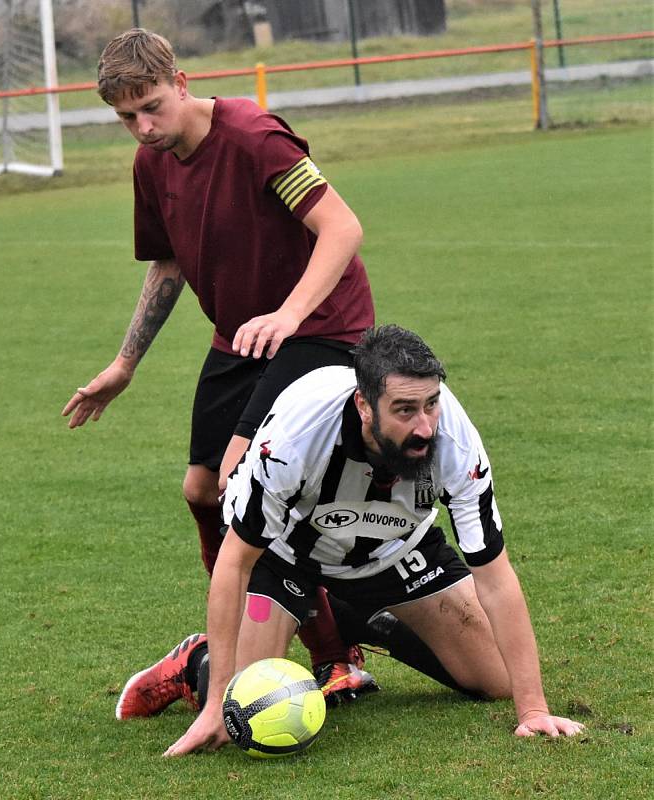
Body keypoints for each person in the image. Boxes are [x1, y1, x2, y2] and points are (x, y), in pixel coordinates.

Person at [60, 28, 376, 698]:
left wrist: (289, 316)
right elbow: (169, 261)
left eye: (150, 106)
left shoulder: (252, 134)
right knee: (201, 492)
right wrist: (124, 364)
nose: (142, 127)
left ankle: (332, 655)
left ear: (180, 82)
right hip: (239, 339)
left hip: (321, 329)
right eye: (125, 118)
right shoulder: (150, 165)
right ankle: (250, 636)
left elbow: (342, 228)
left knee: (245, 482)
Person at [115, 325, 585, 754]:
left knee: (501, 680)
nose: (424, 426)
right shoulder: (294, 438)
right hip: (286, 555)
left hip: (396, 552)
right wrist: (218, 699)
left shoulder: (456, 444)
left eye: (431, 403)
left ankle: (361, 619)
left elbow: (496, 577)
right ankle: (199, 661)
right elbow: (235, 561)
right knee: (248, 706)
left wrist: (534, 710)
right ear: (364, 404)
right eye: (404, 410)